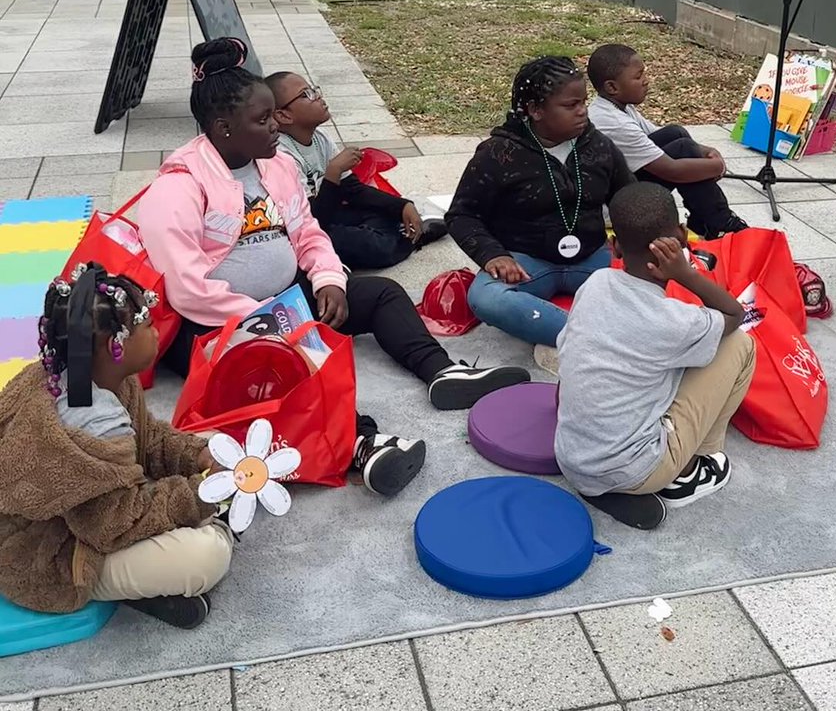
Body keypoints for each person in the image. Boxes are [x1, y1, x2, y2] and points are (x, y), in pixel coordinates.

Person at [136, 41, 529, 468]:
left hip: (284, 303)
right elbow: (186, 288)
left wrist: (327, 280)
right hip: (214, 324)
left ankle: (442, 373)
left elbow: (307, 230)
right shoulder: (177, 187)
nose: (274, 128)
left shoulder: (275, 165)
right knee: (292, 365)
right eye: (262, 119)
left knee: (381, 294)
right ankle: (361, 445)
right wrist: (268, 321)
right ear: (224, 128)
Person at [0, 265, 233, 629]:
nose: (157, 332)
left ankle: (208, 516)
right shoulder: (91, 421)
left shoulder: (84, 374)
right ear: (116, 345)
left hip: (97, 515)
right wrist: (199, 494)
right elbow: (113, 524)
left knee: (218, 444)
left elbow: (147, 437)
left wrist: (197, 455)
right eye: (148, 325)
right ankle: (158, 575)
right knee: (205, 556)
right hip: (53, 555)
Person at [555, 184, 756, 528]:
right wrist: (686, 274)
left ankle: (612, 481)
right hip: (637, 469)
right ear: (681, 237)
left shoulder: (596, 283)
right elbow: (735, 315)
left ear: (614, 245)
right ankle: (695, 466)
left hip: (572, 458)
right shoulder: (676, 322)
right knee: (739, 345)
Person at [447, 56, 635, 359]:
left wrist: (645, 231)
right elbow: (462, 214)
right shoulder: (499, 153)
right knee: (486, 298)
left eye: (583, 102)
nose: (582, 111)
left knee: (663, 274)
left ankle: (592, 342)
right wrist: (493, 255)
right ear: (536, 110)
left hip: (593, 258)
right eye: (570, 105)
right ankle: (591, 341)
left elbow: (630, 195)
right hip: (526, 262)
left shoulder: (599, 146)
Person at [265, 70, 449, 270]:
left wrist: (402, 205)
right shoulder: (281, 155)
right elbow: (313, 220)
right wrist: (333, 171)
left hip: (331, 213)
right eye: (306, 94)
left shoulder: (321, 138)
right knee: (360, 244)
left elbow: (353, 189)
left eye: (314, 90)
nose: (318, 96)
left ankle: (400, 230)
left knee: (380, 213)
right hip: (303, 229)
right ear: (283, 115)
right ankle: (410, 241)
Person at [587, 44, 748, 240]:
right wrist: (716, 165)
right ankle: (719, 221)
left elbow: (660, 135)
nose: (646, 81)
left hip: (621, 187)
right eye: (638, 77)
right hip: (612, 207)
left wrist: (706, 151)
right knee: (684, 149)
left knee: (676, 133)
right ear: (612, 87)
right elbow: (671, 169)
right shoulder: (613, 122)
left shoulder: (617, 106)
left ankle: (704, 219)